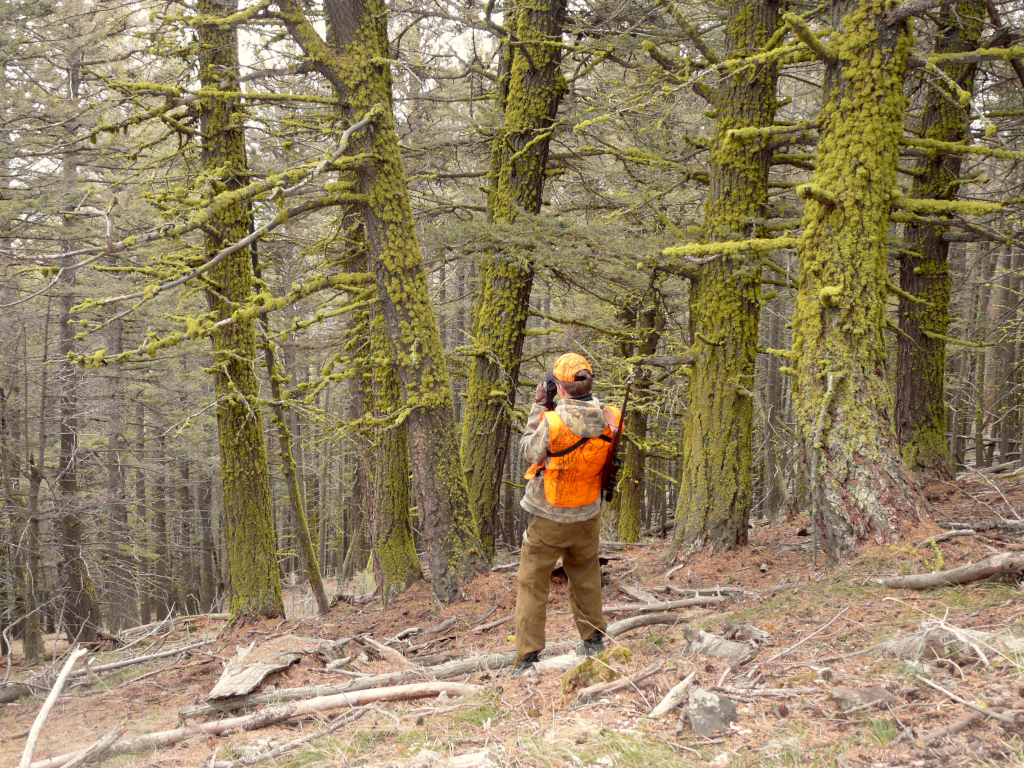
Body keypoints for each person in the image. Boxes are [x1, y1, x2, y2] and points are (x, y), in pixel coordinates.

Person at [512, 352, 621, 676]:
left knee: (532, 581)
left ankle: (527, 658)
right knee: (586, 576)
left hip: (549, 515)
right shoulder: (610, 418)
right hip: (588, 513)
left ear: (558, 388)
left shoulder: (553, 422)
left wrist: (538, 408)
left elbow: (529, 451)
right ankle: (593, 641)